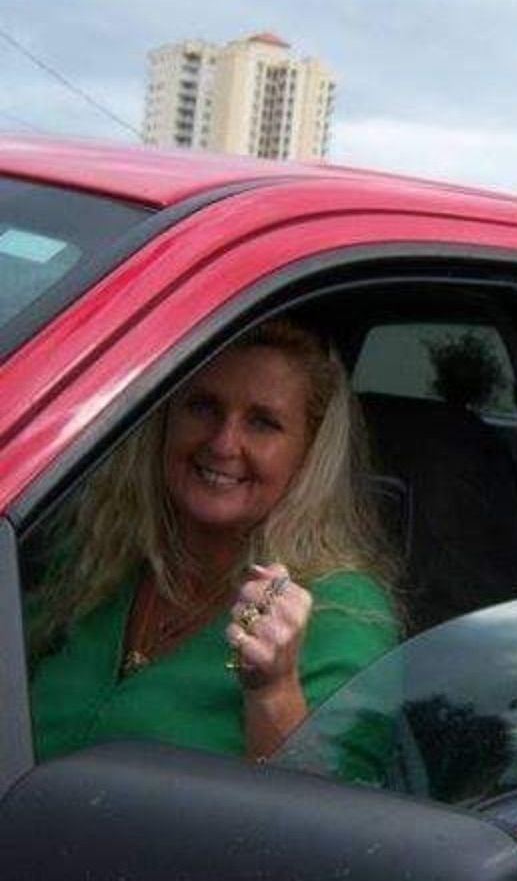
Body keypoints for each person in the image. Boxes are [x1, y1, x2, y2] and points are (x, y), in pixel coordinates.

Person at [28, 317, 399, 765]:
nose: (223, 443)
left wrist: (274, 691)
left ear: (309, 453)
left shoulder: (343, 615)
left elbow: (337, 823)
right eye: (203, 406)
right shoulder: (100, 555)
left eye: (262, 423)